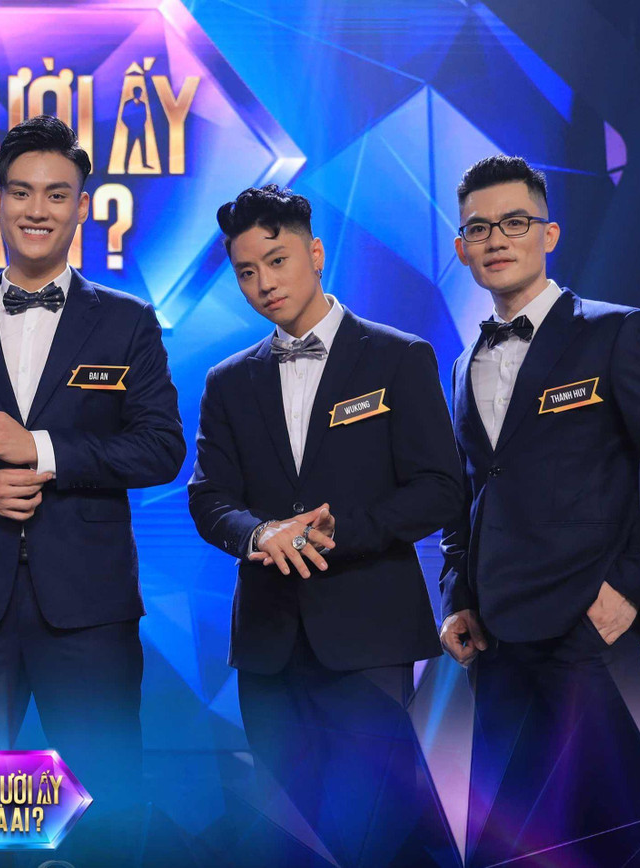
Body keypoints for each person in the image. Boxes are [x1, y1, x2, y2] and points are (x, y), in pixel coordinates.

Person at [0, 114, 184, 863]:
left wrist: (40, 448)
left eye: (56, 194)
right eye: (20, 192)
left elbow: (162, 449)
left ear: (83, 205)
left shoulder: (128, 323)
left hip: (89, 608)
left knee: (107, 806)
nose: (37, 209)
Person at [439, 155, 640, 862]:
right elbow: (464, 495)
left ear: (549, 233)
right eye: (478, 228)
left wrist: (631, 591)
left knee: (619, 843)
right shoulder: (462, 365)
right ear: (462, 248)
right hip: (496, 647)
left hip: (590, 639)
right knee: (507, 847)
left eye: (514, 222)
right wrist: (457, 596)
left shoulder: (617, 332)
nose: (497, 239)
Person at [187, 183, 463, 866]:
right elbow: (209, 497)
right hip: (268, 646)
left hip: (367, 638)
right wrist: (260, 534)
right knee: (285, 837)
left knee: (374, 833)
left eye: (276, 261)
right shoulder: (228, 381)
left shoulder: (399, 357)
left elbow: (440, 488)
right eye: (246, 272)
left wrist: (342, 534)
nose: (264, 283)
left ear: (315, 254)